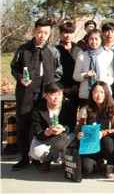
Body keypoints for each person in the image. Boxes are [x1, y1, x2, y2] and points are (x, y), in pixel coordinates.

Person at [11, 18, 62, 171]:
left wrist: (52, 89)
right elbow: (14, 67)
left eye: (45, 32)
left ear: (49, 34)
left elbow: (59, 72)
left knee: (39, 127)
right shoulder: (23, 49)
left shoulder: (53, 51)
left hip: (43, 97)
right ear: (34, 31)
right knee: (23, 126)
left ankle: (38, 158)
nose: (42, 35)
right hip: (26, 95)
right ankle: (24, 158)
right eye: (39, 32)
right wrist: (21, 78)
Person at [76, 81, 114, 178]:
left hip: (109, 143)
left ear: (106, 93)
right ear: (91, 94)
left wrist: (103, 133)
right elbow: (80, 128)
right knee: (86, 169)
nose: (98, 95)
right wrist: (80, 134)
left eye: (102, 92)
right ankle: (98, 162)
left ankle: (111, 164)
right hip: (91, 145)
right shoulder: (86, 110)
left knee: (107, 141)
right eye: (95, 92)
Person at [29, 81, 77, 172]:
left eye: (59, 94)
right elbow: (36, 129)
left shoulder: (69, 106)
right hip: (45, 137)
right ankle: (46, 159)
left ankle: (65, 160)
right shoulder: (38, 108)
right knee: (35, 152)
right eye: (53, 95)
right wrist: (47, 132)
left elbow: (71, 124)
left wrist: (63, 129)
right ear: (45, 95)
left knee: (73, 137)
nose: (56, 98)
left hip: (61, 137)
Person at [73, 29, 114, 104]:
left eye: (96, 39)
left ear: (101, 40)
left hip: (103, 94)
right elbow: (75, 76)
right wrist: (86, 75)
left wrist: (102, 82)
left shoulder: (108, 54)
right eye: (91, 39)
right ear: (87, 40)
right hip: (86, 95)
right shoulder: (82, 55)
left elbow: (111, 76)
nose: (94, 42)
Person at [56, 20, 81, 104]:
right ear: (60, 33)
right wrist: (63, 87)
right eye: (65, 33)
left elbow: (81, 68)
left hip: (77, 88)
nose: (68, 36)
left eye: (70, 33)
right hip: (61, 88)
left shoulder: (78, 49)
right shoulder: (55, 50)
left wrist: (77, 85)